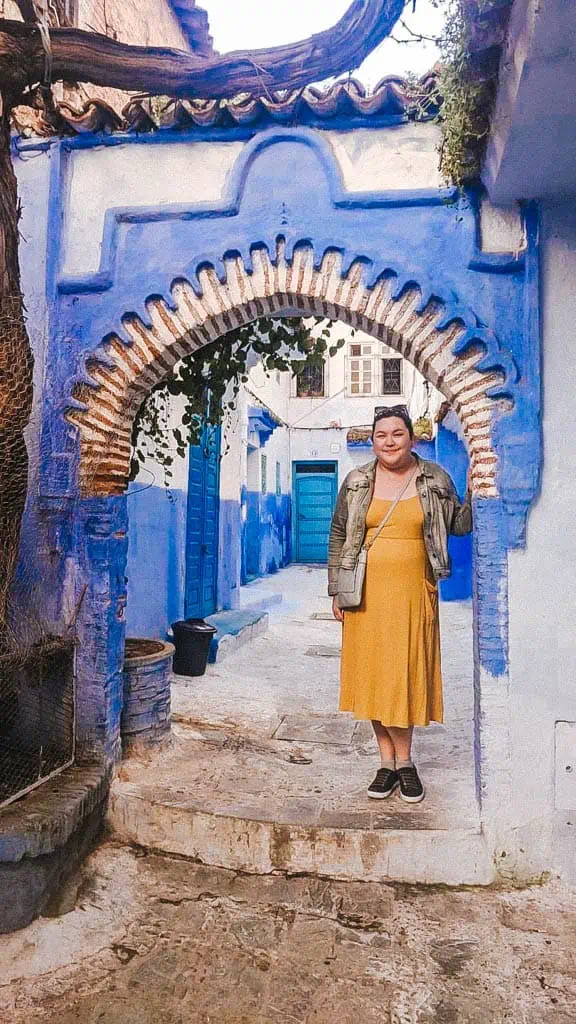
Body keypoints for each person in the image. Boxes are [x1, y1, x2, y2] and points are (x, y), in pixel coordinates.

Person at [328, 405, 472, 803]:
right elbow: (339, 532)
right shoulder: (357, 481)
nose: (389, 441)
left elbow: (458, 525)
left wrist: (477, 487)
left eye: (397, 434)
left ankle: (405, 763)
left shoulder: (435, 478)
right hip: (364, 594)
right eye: (381, 435)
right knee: (373, 675)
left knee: (402, 675)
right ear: (372, 441)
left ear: (412, 437)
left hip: (413, 593)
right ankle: (387, 763)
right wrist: (336, 588)